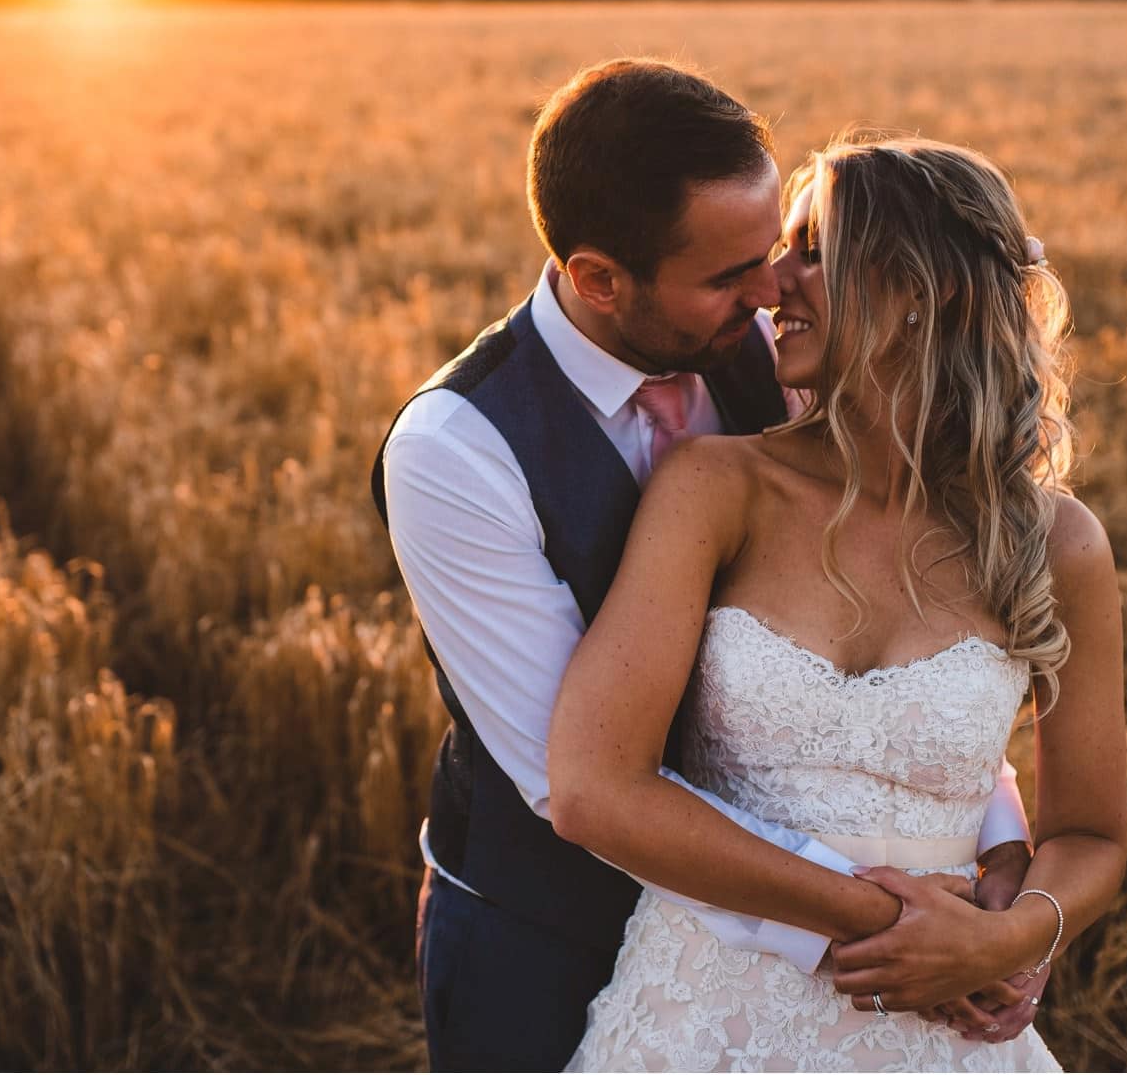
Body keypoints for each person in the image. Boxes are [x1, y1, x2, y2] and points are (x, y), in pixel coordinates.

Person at [370, 61, 1048, 1073]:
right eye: (730, 276)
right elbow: (581, 786)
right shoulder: (456, 449)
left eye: (773, 252)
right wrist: (888, 918)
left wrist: (992, 868)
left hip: (842, 934)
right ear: (599, 278)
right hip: (545, 931)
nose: (774, 291)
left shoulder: (777, 356)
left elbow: (889, 623)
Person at [550, 132, 1127, 1071]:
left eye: (815, 250)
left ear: (922, 290)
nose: (776, 282)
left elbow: (1092, 833)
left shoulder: (1057, 545)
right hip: (698, 1021)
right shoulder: (715, 488)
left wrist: (1012, 938)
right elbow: (596, 788)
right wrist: (906, 924)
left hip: (940, 1028)